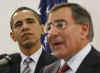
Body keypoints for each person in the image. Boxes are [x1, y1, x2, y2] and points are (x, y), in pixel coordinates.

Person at [42, 3, 100, 73]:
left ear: (84, 30)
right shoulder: (46, 70)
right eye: (49, 28)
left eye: (60, 25)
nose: (52, 33)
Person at [6, 7, 57, 73]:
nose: (25, 27)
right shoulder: (3, 65)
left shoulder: (58, 64)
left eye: (30, 22)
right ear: (13, 36)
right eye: (18, 24)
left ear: (42, 29)